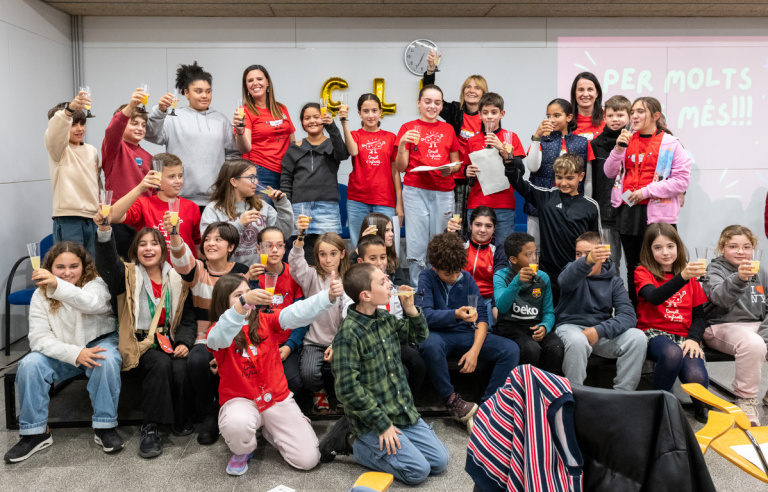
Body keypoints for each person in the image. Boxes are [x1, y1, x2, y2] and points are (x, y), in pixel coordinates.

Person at [320, 263, 449, 486]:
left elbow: (418, 335)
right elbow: (347, 390)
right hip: (374, 419)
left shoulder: (384, 318)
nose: (390, 284)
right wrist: (382, 425)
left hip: (400, 411)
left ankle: (394, 441)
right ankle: (351, 442)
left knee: (440, 462)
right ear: (366, 295)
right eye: (382, 282)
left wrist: (410, 309)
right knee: (417, 472)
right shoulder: (348, 335)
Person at [207, 272, 344, 475]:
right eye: (238, 295)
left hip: (275, 397)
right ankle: (242, 451)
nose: (246, 298)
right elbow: (218, 338)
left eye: (248, 292)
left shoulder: (265, 320)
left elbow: (297, 312)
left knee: (309, 460)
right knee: (237, 423)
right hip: (241, 400)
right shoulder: (218, 329)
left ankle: (270, 429)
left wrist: (328, 297)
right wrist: (244, 303)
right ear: (223, 300)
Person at [4, 242, 122, 463]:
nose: (67, 272)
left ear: (84, 266)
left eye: (74, 266)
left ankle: (105, 427)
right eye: (60, 267)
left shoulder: (96, 284)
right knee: (29, 364)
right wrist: (75, 353)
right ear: (50, 267)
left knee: (106, 359)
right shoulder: (41, 295)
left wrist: (56, 283)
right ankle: (35, 432)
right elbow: (39, 338)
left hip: (99, 343)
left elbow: (90, 303)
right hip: (64, 351)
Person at [94, 221, 196, 459]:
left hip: (167, 339)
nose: (148, 248)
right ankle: (150, 427)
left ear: (163, 249)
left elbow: (188, 316)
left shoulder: (178, 278)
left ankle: (180, 419)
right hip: (137, 342)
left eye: (154, 243)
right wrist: (104, 232)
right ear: (135, 249)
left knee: (182, 366)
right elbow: (107, 264)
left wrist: (184, 342)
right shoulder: (126, 275)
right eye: (142, 244)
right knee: (159, 364)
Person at [416, 232, 519, 430]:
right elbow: (424, 316)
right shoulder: (426, 277)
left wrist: (474, 351)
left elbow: (482, 317)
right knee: (429, 344)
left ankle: (488, 407)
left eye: (457, 272)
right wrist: (456, 314)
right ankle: (452, 401)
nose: (455, 277)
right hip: (438, 335)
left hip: (466, 335)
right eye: (448, 273)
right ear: (435, 268)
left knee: (511, 349)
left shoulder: (468, 279)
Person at [166, 220, 249, 445]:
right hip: (204, 338)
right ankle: (209, 414)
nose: (211, 243)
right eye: (208, 239)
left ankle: (236, 412)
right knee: (195, 361)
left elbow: (247, 312)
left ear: (231, 247)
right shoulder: (198, 270)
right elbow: (181, 259)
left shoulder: (243, 272)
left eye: (218, 239)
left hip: (234, 338)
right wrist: (174, 233)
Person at [604, 96, 691, 307]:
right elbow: (609, 172)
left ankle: (665, 314)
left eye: (640, 111)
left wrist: (646, 192)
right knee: (634, 267)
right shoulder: (625, 140)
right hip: (629, 212)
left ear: (656, 116)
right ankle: (637, 314)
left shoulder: (670, 143)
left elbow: (682, 181)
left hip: (659, 214)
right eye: (632, 111)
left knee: (663, 265)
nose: (634, 115)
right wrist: (617, 149)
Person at [635, 223, 709, 422]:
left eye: (670, 246)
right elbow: (655, 297)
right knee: (671, 353)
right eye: (657, 248)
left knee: (698, 378)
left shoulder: (689, 276)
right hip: (653, 333)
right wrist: (683, 277)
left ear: (678, 247)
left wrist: (694, 339)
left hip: (683, 336)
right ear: (649, 251)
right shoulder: (642, 272)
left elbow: (700, 316)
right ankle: (658, 403)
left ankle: (700, 405)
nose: (665, 252)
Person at [554, 232, 646, 391]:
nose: (582, 258)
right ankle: (574, 396)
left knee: (638, 337)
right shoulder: (571, 270)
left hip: (600, 333)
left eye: (589, 254)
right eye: (578, 254)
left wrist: (599, 330)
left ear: (603, 257)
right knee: (577, 341)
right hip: (570, 328)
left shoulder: (614, 281)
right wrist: (587, 261)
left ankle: (622, 397)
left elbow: (628, 316)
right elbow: (564, 282)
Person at [506, 153, 600, 305]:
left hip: (577, 274)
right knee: (548, 319)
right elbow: (519, 183)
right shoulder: (546, 198)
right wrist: (509, 162)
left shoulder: (591, 206)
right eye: (559, 177)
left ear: (581, 176)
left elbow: (597, 243)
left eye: (569, 178)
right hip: (548, 275)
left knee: (572, 318)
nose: (563, 183)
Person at [145, 61, 240, 208]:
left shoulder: (221, 120)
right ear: (186, 93)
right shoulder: (172, 117)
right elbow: (151, 134)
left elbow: (233, 156)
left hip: (215, 201)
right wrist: (160, 110)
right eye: (198, 91)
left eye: (208, 91)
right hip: (179, 199)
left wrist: (227, 188)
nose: (204, 96)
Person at [344, 234, 427, 396]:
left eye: (383, 257)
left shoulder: (390, 290)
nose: (380, 263)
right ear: (360, 262)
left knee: (417, 362)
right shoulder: (353, 289)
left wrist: (410, 309)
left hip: (391, 340)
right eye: (373, 258)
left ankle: (408, 405)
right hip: (368, 350)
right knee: (401, 372)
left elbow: (418, 334)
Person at [395, 85, 461, 287]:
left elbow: (457, 163)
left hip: (443, 190)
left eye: (437, 102)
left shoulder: (448, 129)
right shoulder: (408, 128)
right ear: (418, 103)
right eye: (428, 101)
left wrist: (449, 169)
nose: (432, 106)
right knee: (417, 243)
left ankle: (439, 289)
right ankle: (418, 291)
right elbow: (401, 166)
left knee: (441, 242)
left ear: (441, 106)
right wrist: (401, 145)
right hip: (415, 190)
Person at [703, 225, 768, 426]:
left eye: (746, 247)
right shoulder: (714, 270)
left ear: (753, 249)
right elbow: (719, 298)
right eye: (733, 246)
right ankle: (746, 399)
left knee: (757, 341)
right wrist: (739, 278)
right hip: (721, 326)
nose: (741, 251)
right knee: (753, 344)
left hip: (756, 327)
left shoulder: (761, 271)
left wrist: (765, 335)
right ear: (722, 248)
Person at [422, 51, 488, 233]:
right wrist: (430, 69)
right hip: (455, 177)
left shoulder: (487, 117)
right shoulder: (453, 111)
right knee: (455, 225)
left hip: (477, 179)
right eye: (468, 87)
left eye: (476, 88)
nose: (471, 90)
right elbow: (429, 92)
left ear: (484, 93)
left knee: (474, 225)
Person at [289, 221, 350, 414]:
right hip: (314, 341)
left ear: (342, 254)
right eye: (322, 254)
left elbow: (350, 313)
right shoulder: (311, 276)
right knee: (307, 373)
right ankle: (319, 392)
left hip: (341, 340)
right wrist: (300, 237)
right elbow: (296, 263)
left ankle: (344, 396)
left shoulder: (349, 279)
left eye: (333, 253)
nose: (328, 259)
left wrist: (338, 343)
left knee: (345, 368)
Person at [281, 102, 349, 259]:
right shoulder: (295, 147)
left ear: (323, 119)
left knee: (329, 253)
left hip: (327, 208)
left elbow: (343, 154)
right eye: (307, 118)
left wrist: (332, 125)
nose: (311, 121)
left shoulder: (333, 144)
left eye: (316, 117)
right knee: (300, 253)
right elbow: (286, 179)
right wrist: (287, 207)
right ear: (302, 123)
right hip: (300, 209)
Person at [524, 98, 595, 245]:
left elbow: (587, 179)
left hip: (572, 205)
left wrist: (586, 203)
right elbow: (532, 167)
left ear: (569, 117)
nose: (551, 119)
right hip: (539, 205)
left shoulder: (582, 142)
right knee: (535, 247)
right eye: (548, 116)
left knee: (568, 245)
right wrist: (537, 137)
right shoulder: (541, 140)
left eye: (557, 115)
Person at [248, 226, 307, 395]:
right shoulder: (252, 275)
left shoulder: (295, 275)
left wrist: (289, 346)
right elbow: (250, 315)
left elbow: (302, 316)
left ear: (284, 249)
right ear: (259, 249)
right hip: (260, 343)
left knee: (293, 382)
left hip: (287, 342)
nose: (274, 250)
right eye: (268, 245)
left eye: (279, 245)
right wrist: (251, 284)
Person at [494, 232, 564, 374]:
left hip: (533, 325)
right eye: (529, 254)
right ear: (513, 259)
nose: (535, 258)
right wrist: (517, 282)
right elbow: (501, 306)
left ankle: (546, 390)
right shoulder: (501, 276)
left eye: (535, 253)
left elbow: (548, 312)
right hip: (509, 326)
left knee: (555, 347)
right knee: (531, 349)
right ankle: (524, 391)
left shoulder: (543, 277)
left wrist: (545, 326)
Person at [201, 159, 293, 266]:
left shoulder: (262, 206)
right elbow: (209, 244)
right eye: (251, 178)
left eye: (255, 177)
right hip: (229, 276)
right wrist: (239, 224)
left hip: (259, 272)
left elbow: (284, 234)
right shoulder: (213, 209)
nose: (256, 182)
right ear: (234, 181)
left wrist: (282, 205)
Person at [110, 153, 201, 260]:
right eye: (172, 176)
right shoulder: (143, 204)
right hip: (154, 272)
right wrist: (140, 188)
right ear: (156, 178)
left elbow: (197, 246)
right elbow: (113, 216)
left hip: (185, 272)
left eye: (180, 176)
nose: (178, 181)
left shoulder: (192, 207)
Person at [341, 93, 403, 247]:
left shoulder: (390, 137)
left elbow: (395, 172)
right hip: (357, 199)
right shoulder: (355, 135)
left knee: (386, 246)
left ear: (381, 112)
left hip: (384, 199)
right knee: (359, 244)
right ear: (359, 113)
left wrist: (399, 203)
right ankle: (360, 272)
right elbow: (353, 151)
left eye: (374, 111)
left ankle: (386, 272)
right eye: (366, 111)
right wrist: (344, 124)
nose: (370, 115)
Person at [463, 92, 526, 242]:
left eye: (494, 112)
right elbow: (467, 173)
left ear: (502, 114)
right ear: (479, 115)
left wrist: (502, 148)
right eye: (485, 113)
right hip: (477, 203)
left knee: (503, 250)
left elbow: (520, 170)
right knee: (476, 249)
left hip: (503, 204)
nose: (489, 116)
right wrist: (468, 172)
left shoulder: (511, 137)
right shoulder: (472, 141)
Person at [45, 92, 100, 255]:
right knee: (71, 270)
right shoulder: (59, 150)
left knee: (93, 270)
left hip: (93, 219)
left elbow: (98, 184)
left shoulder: (92, 150)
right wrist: (68, 111)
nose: (80, 129)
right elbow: (54, 134)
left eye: (82, 124)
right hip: (68, 218)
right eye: (73, 124)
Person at [101, 88, 154, 257]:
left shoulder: (149, 157)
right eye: (134, 123)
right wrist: (131, 106)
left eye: (143, 125)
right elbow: (113, 131)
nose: (140, 128)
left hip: (143, 221)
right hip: (119, 219)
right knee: (123, 267)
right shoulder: (114, 149)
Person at [234, 65, 295, 193]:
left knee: (284, 212)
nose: (255, 83)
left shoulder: (281, 108)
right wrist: (240, 132)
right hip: (260, 172)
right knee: (263, 213)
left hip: (285, 172)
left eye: (259, 79)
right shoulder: (245, 112)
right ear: (246, 86)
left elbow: (292, 142)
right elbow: (245, 148)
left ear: (267, 82)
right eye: (250, 81)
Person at [446, 207, 509, 328]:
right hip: (459, 297)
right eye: (478, 225)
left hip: (487, 300)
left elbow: (500, 282)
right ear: (470, 225)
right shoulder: (460, 242)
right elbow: (442, 257)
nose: (482, 230)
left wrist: (496, 306)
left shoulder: (499, 249)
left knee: (489, 328)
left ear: (494, 228)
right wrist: (448, 234)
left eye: (488, 226)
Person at [590, 95, 631, 272]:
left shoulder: (636, 144)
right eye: (611, 115)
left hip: (631, 212)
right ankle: (610, 300)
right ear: (604, 117)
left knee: (636, 263)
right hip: (605, 215)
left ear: (630, 116)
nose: (615, 120)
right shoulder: (595, 144)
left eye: (620, 115)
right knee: (609, 263)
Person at [351, 212, 408, 286]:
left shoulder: (391, 256)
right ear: (374, 232)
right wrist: (364, 243)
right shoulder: (355, 259)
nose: (392, 234)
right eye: (387, 230)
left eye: (392, 230)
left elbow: (400, 282)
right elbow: (347, 272)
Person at [570, 72, 606, 141]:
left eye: (590, 89)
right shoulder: (566, 121)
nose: (585, 94)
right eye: (581, 90)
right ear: (574, 93)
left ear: (597, 93)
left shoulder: (608, 119)